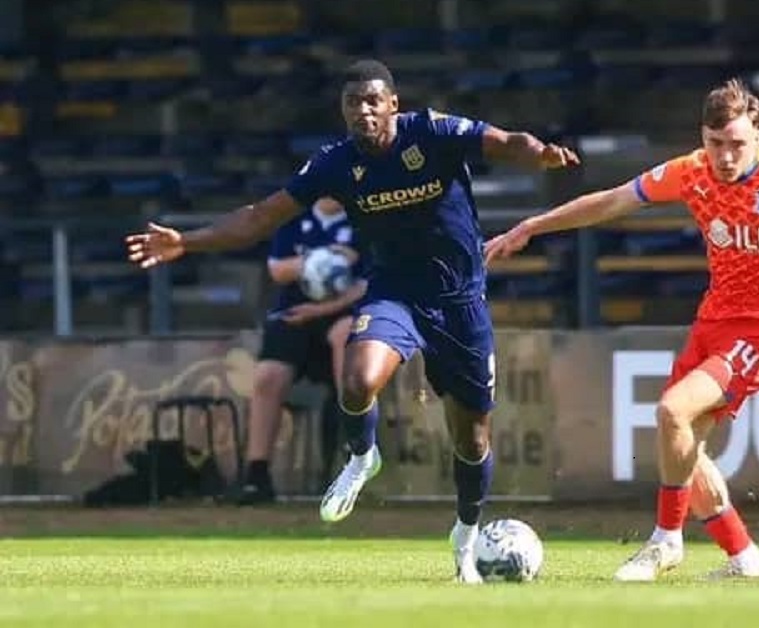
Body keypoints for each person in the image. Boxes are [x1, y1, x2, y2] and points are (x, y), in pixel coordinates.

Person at [126, 59, 580, 583]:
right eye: (352, 103)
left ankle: (465, 534)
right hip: (394, 294)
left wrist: (539, 154)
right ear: (343, 111)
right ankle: (362, 455)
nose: (363, 111)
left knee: (471, 439)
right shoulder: (335, 164)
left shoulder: (430, 132)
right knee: (359, 377)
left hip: (460, 301)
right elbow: (258, 217)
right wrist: (188, 240)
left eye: (372, 101)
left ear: (392, 104)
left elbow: (504, 141)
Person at [485, 78, 759, 582]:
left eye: (737, 144)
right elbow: (611, 201)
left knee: (673, 411)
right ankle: (745, 557)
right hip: (712, 324)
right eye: (716, 144)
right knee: (682, 441)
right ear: (702, 137)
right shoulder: (691, 172)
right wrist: (532, 226)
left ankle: (665, 542)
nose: (726, 156)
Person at [238, 196, 366, 505]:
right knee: (268, 375)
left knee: (344, 334)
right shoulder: (293, 220)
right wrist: (321, 259)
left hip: (343, 310)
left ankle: (353, 445)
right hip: (295, 313)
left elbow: (367, 282)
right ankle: (257, 474)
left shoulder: (363, 219)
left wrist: (323, 309)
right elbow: (277, 269)